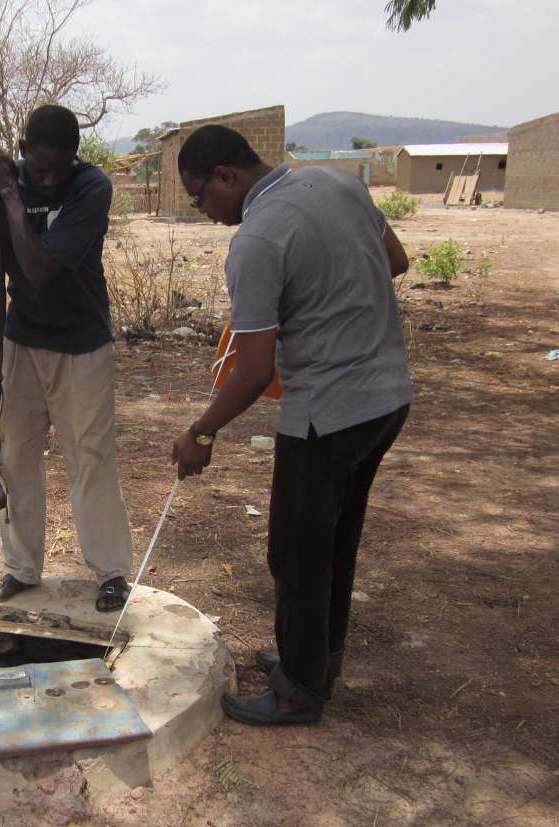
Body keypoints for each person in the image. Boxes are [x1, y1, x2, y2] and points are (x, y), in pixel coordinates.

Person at [170, 124, 411, 727]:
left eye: (201, 198)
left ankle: (299, 690)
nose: (205, 212)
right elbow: (395, 260)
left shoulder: (256, 240)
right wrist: (336, 306)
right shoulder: (338, 183)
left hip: (326, 414)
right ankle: (315, 660)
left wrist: (200, 433)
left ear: (227, 175)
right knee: (335, 537)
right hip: (387, 396)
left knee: (298, 551)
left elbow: (254, 372)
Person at [0, 104, 133, 613]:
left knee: (90, 457)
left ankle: (110, 572)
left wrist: (15, 196)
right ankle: (20, 568)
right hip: (22, 341)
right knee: (12, 454)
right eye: (39, 168)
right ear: (22, 154)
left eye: (60, 168)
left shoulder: (90, 188)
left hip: (82, 342)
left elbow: (39, 270)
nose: (50, 178)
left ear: (75, 161)